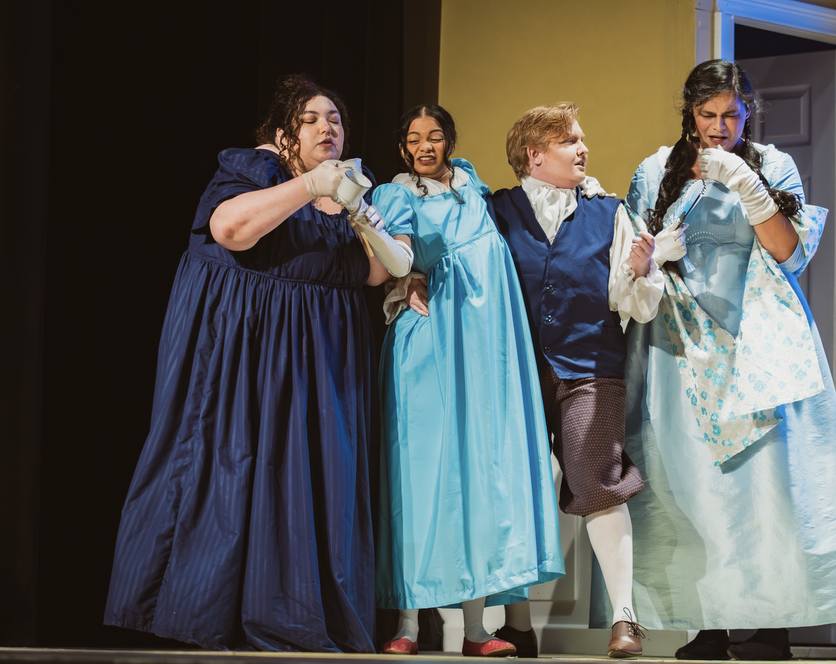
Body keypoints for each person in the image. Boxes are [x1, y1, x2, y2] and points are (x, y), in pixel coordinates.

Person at [104, 74, 405, 652]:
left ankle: (298, 621)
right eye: (313, 118)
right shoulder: (258, 171)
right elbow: (230, 228)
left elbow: (374, 272)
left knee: (312, 479)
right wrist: (309, 183)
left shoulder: (347, 196)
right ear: (283, 132)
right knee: (231, 462)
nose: (328, 127)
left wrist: (357, 211)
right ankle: (197, 614)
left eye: (336, 120)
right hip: (244, 346)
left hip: (322, 355)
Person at [619, 59, 836, 660]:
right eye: (707, 115)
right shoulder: (655, 169)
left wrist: (744, 181)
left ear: (747, 113)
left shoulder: (772, 163)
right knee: (693, 481)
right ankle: (705, 624)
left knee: (768, 484)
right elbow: (633, 254)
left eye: (731, 115)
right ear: (690, 112)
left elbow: (789, 251)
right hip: (679, 339)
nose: (719, 126)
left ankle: (771, 626)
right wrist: (652, 255)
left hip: (754, 339)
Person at [374, 104, 564, 657]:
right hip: (433, 336)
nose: (425, 146)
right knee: (421, 472)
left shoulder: (473, 179)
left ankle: (477, 630)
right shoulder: (396, 194)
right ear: (404, 148)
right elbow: (396, 256)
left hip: (487, 341)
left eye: (435, 136)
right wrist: (406, 276)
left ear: (449, 141)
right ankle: (407, 625)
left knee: (480, 472)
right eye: (415, 139)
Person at [489, 103, 674, 659]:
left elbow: (630, 302)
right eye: (570, 140)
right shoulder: (494, 210)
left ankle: (624, 619)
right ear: (535, 154)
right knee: (518, 491)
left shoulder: (609, 211)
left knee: (597, 479)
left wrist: (641, 271)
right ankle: (516, 624)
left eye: (581, 139)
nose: (582, 148)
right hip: (514, 367)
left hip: (591, 365)